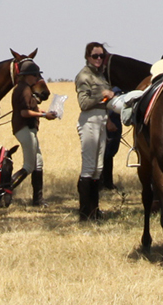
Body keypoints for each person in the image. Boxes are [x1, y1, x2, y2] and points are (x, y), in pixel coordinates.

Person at [73, 42, 116, 220]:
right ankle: (85, 212)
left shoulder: (100, 75)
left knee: (98, 168)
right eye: (95, 56)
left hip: (101, 120)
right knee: (89, 167)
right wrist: (103, 95)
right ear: (87, 57)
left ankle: (94, 210)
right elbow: (83, 103)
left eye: (101, 56)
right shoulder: (84, 76)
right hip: (89, 120)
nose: (98, 59)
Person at [12, 61, 58, 206]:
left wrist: (41, 111)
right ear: (28, 76)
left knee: (38, 164)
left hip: (28, 128)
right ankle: (4, 189)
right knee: (29, 166)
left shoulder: (24, 88)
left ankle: (37, 199)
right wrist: (44, 116)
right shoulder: (24, 89)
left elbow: (30, 108)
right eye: (35, 75)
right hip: (24, 128)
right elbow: (24, 112)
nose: (36, 78)